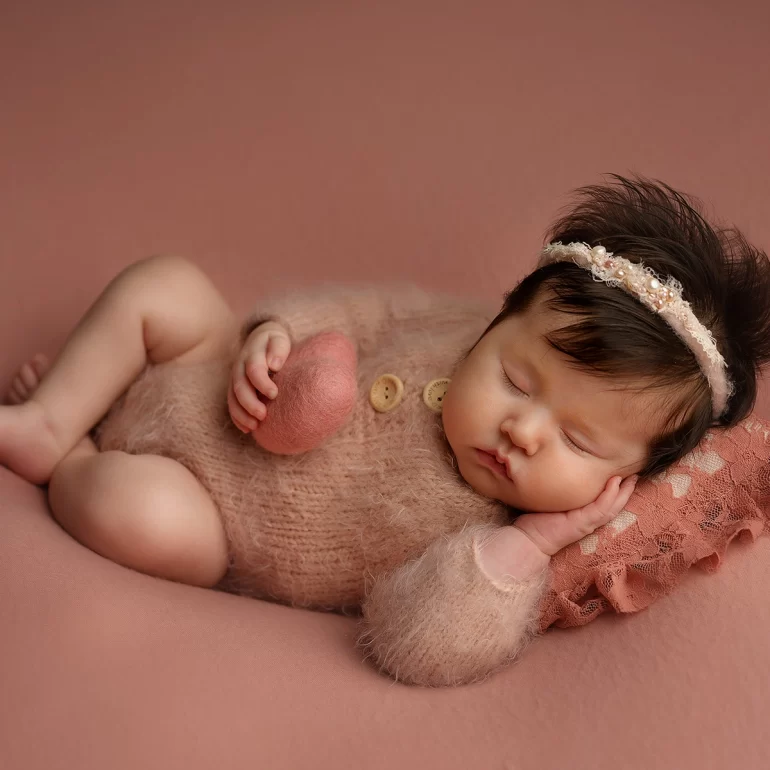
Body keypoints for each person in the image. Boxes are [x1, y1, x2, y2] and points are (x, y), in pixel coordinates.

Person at [2, 174, 769, 686]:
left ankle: (72, 454)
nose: (523, 430)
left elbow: (417, 642)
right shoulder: (460, 325)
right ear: (500, 319)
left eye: (580, 442)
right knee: (167, 283)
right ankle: (50, 417)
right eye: (515, 380)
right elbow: (368, 309)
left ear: (623, 479)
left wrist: (528, 545)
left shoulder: (492, 537)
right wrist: (274, 335)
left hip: (212, 513)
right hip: (211, 370)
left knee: (142, 516)